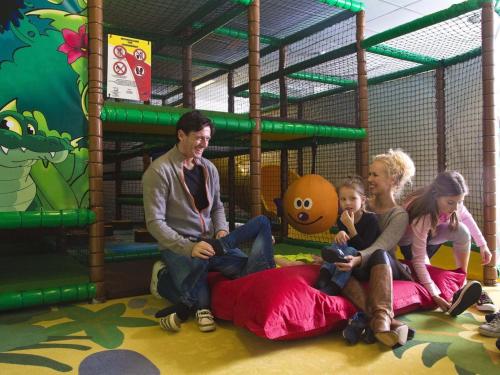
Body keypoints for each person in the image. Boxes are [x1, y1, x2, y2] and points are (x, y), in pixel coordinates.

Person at [142, 110, 275, 333]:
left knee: (250, 274)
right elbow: (155, 222)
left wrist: (222, 230)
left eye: (207, 139)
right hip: (181, 246)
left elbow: (217, 208)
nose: (204, 144)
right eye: (199, 138)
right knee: (202, 302)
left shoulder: (209, 168)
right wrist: (189, 247)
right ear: (181, 135)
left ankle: (218, 249)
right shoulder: (158, 171)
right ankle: (162, 278)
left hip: (213, 244)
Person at [400, 171, 494, 315]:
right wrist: (434, 295)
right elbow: (418, 259)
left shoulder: (454, 202)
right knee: (430, 278)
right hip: (410, 243)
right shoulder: (423, 215)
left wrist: (483, 245)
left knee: (462, 231)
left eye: (460, 201)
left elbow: (467, 218)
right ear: (436, 196)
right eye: (450, 203)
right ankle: (452, 291)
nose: (456, 207)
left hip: (432, 235)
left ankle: (463, 284)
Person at [315, 176, 380, 297]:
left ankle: (334, 286)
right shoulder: (342, 219)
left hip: (363, 265)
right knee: (337, 244)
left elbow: (365, 249)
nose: (347, 203)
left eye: (353, 198)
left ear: (363, 200)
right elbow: (343, 246)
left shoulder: (371, 219)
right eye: (343, 199)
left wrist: (350, 227)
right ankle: (323, 277)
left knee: (350, 250)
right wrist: (341, 234)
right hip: (345, 260)